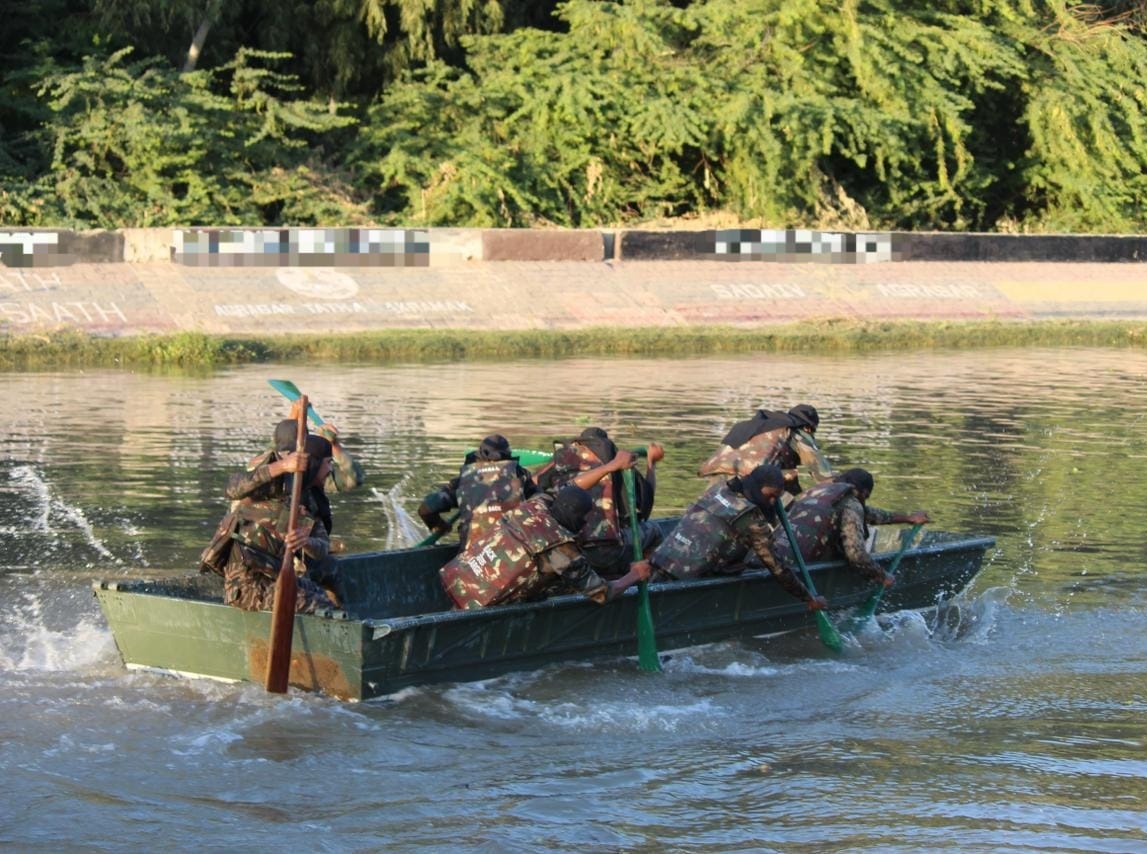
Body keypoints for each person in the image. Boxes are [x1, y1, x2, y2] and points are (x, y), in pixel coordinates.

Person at [632, 464, 826, 611]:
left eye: (777, 497)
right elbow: (777, 567)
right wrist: (808, 598)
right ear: (757, 487)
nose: (773, 502)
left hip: (661, 561)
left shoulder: (719, 489)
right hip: (686, 579)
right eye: (770, 496)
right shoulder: (751, 520)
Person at [439, 485, 651, 609]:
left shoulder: (533, 505)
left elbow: (566, 487)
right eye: (584, 518)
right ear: (575, 515)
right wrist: (633, 575)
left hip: (458, 582)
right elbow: (602, 594)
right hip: (480, 607)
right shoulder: (560, 550)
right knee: (571, 584)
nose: (586, 524)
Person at [215, 426, 340, 613]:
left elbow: (322, 547)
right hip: (248, 582)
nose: (330, 469)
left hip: (277, 577)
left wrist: (305, 542)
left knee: (323, 597)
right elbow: (233, 488)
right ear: (315, 463)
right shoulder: (274, 485)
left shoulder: (310, 500)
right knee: (320, 606)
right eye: (328, 463)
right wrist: (282, 466)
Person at [537, 426, 665, 578]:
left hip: (569, 552)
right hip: (608, 555)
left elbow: (536, 486)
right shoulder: (617, 463)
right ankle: (646, 579)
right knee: (655, 530)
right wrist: (651, 464)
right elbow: (645, 509)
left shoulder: (559, 468)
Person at [772, 468, 930, 586]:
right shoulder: (851, 503)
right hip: (798, 569)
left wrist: (908, 518)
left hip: (775, 557)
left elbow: (867, 513)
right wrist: (881, 576)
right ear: (865, 493)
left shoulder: (816, 493)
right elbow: (856, 555)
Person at [418, 434, 539, 547]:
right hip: (513, 550)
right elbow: (542, 505)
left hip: (472, 555)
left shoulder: (464, 481)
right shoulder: (521, 477)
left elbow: (426, 509)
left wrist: (441, 527)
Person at [697, 404, 835, 496]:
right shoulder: (796, 431)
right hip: (752, 482)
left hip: (716, 479)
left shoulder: (755, 424)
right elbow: (824, 475)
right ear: (808, 427)